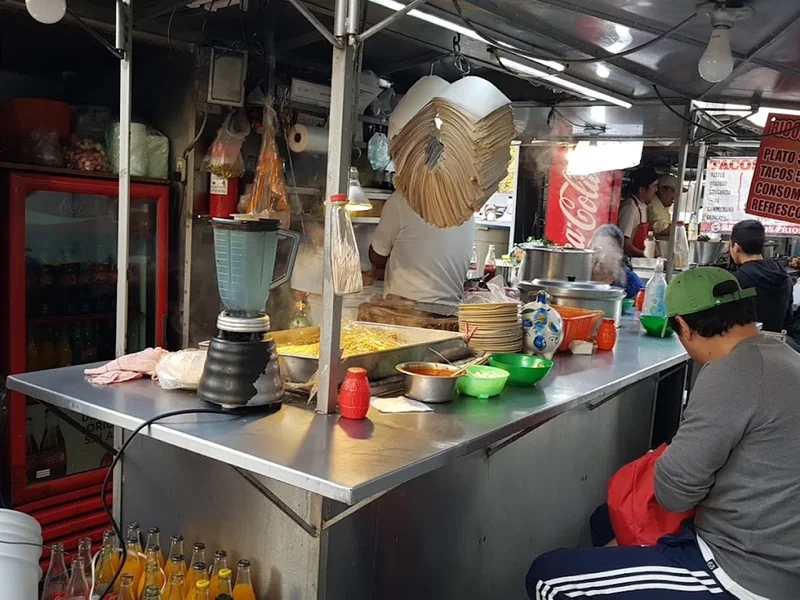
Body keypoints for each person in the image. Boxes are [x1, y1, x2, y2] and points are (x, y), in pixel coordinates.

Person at [526, 267, 800, 600]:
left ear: (683, 327)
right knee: (606, 519)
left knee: (548, 578)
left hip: (743, 573)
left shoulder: (731, 374)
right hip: (771, 548)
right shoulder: (784, 356)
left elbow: (675, 494)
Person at [369, 191, 474, 306]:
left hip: (405, 310)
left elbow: (377, 256)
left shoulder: (402, 199)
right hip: (452, 311)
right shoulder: (466, 207)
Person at [730, 219, 793, 332]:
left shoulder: (736, 280)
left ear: (736, 247)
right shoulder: (784, 276)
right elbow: (788, 319)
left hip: (745, 346)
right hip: (776, 344)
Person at [588, 224, 644, 299]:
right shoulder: (580, 275)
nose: (601, 256)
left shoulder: (629, 280)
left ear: (619, 254)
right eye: (596, 250)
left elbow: (640, 304)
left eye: (607, 251)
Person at [618, 166, 659, 258]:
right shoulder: (631, 207)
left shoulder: (642, 206)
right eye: (654, 186)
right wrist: (645, 254)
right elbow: (624, 243)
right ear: (642, 189)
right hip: (629, 261)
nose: (656, 190)